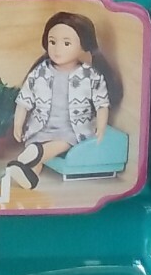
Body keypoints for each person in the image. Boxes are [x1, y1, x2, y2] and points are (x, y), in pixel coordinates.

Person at [8, 11, 122, 190]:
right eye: (52, 42)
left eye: (66, 43)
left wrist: (101, 127)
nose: (57, 49)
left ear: (83, 45)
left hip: (73, 129)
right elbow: (24, 100)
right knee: (36, 155)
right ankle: (28, 174)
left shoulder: (90, 76)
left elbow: (102, 104)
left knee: (61, 144)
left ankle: (33, 155)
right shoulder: (40, 72)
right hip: (42, 126)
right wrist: (18, 124)